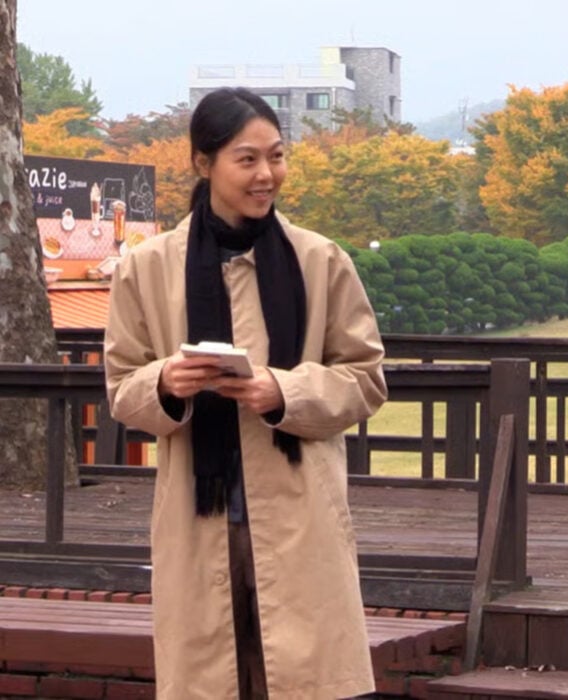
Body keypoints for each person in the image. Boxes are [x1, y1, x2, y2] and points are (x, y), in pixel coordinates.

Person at [104, 87, 387, 699]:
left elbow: (365, 378)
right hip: (197, 509)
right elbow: (122, 386)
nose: (267, 175)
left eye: (277, 156)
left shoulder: (320, 260)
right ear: (203, 163)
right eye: (248, 159)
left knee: (305, 679)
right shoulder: (147, 267)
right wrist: (165, 383)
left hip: (298, 510)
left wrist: (282, 390)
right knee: (211, 677)